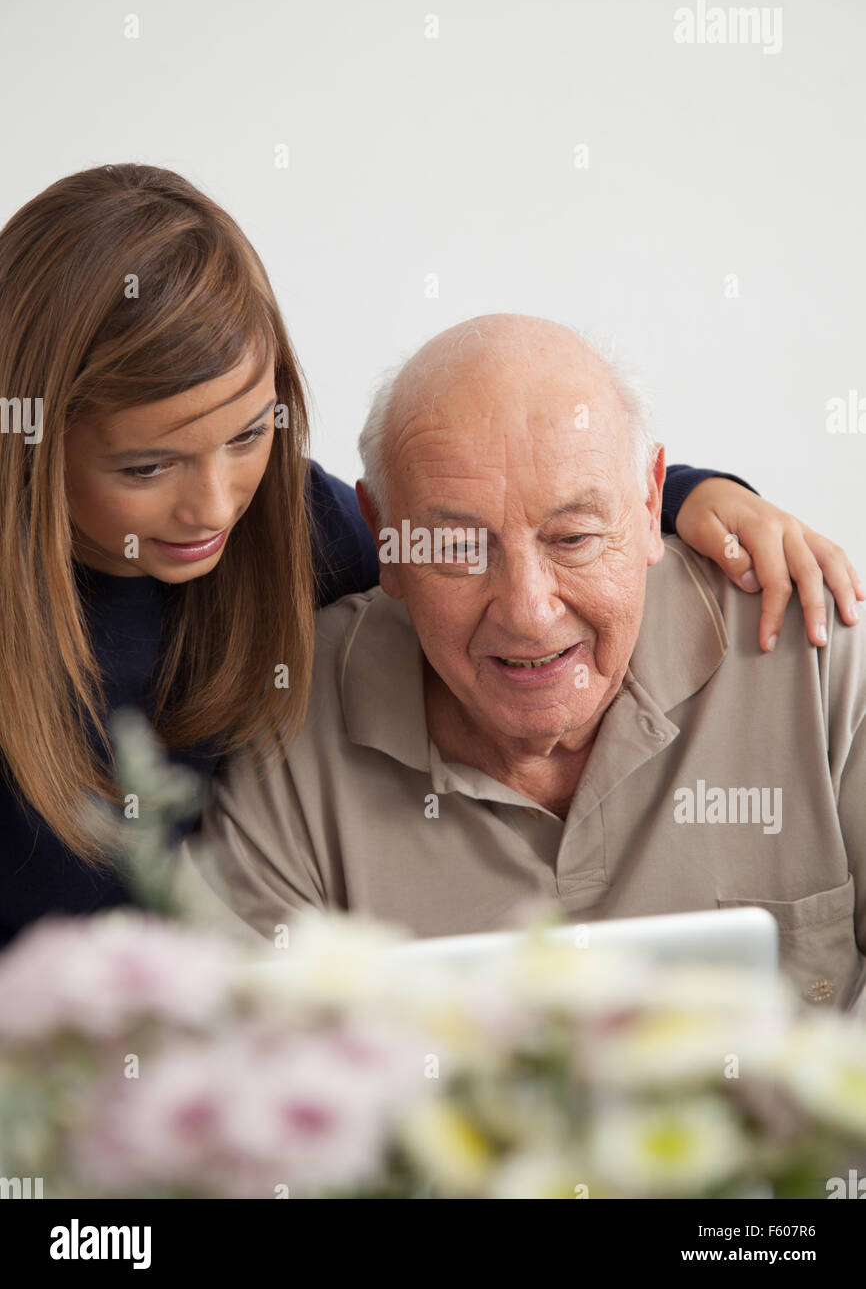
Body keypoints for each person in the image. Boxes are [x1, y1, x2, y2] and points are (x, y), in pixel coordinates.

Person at [0, 167, 857, 943]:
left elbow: (498, 495)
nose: (216, 503)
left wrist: (695, 497)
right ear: (27, 444)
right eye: (146, 468)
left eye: (251, 434)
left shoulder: (292, 526)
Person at [182, 314, 866, 1014]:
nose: (529, 612)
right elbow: (249, 1072)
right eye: (458, 549)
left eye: (573, 537)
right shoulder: (288, 727)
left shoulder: (813, 653)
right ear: (385, 540)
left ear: (653, 499)